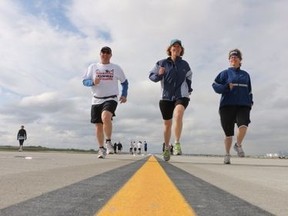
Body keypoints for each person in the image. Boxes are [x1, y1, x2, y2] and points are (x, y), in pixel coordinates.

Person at [149, 39, 193, 161]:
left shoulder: (185, 64)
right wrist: (159, 74)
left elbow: (189, 76)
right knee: (167, 124)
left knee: (178, 114)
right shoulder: (161, 63)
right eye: (174, 46)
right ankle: (167, 147)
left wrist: (189, 88)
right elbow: (151, 76)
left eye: (179, 47)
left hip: (181, 95)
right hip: (166, 97)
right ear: (170, 49)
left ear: (181, 50)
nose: (177, 48)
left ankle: (177, 143)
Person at [82, 46, 129, 159]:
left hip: (111, 98)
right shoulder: (93, 67)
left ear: (111, 55)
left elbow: (125, 82)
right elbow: (84, 81)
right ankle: (101, 148)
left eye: (108, 53)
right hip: (96, 99)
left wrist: (124, 94)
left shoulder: (116, 68)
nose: (105, 54)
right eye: (103, 52)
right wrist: (93, 82)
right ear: (100, 54)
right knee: (98, 126)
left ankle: (108, 142)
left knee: (106, 117)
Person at [212, 49, 253, 164]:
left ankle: (238, 145)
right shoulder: (224, 73)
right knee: (228, 134)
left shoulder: (246, 75)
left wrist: (250, 102)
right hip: (227, 105)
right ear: (229, 60)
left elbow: (250, 91)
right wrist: (225, 86)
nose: (233, 58)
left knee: (243, 125)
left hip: (243, 105)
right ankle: (227, 154)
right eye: (231, 57)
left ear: (240, 60)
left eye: (236, 57)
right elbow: (215, 86)